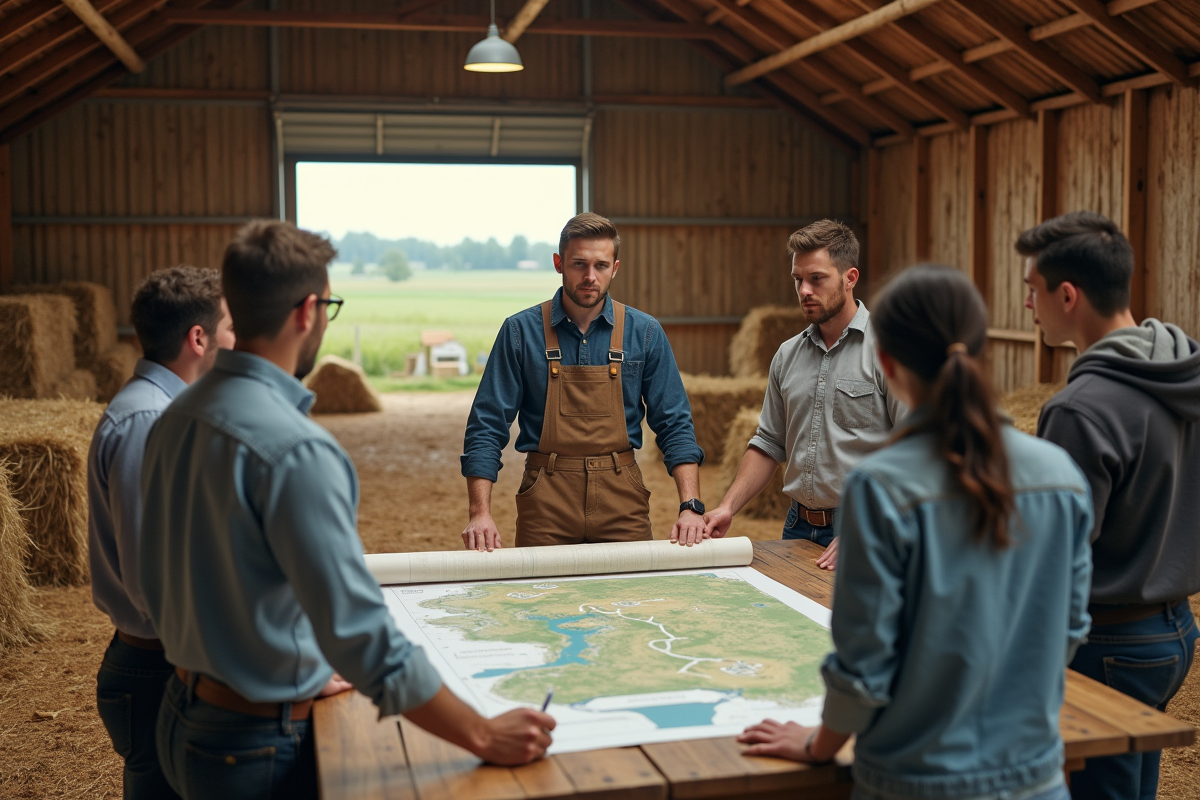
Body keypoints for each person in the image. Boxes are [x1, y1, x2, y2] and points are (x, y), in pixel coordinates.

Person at [139, 221, 553, 800]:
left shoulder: (172, 418)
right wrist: (482, 732)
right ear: (308, 311)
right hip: (254, 742)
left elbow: (168, 575)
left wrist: (298, 659)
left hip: (179, 713)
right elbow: (363, 639)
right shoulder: (297, 448)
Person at [737, 265, 1093, 800]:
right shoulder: (1062, 476)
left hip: (913, 781)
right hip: (1035, 776)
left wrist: (818, 744)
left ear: (886, 361)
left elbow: (863, 667)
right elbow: (1066, 630)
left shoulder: (880, 488)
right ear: (980, 350)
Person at [1019, 211, 1200, 800]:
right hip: (1175, 631)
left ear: (1066, 295)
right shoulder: (1182, 371)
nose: (1028, 305)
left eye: (1032, 290)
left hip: (1106, 644)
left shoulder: (1080, 408)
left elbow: (1055, 554)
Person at [460, 212, 706, 550]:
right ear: (559, 263)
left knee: (633, 598)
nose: (590, 277)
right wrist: (479, 512)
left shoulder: (644, 332)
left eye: (601, 266)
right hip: (545, 500)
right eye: (579, 264)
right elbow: (487, 425)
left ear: (615, 268)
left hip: (622, 498)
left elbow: (675, 422)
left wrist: (690, 505)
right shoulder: (519, 332)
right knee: (542, 599)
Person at [88, 265, 235, 800]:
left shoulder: (165, 412)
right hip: (161, 666)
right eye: (230, 329)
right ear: (198, 338)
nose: (236, 341)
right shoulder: (148, 422)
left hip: (168, 658)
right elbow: (152, 580)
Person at [704, 220, 904, 570]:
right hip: (797, 526)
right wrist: (727, 506)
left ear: (850, 277)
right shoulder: (786, 355)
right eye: (798, 280)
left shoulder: (889, 351)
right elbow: (768, 442)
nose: (804, 290)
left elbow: (917, 449)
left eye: (817, 278)